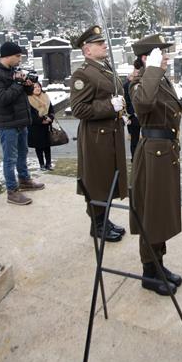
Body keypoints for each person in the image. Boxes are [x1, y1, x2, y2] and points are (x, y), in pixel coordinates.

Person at [129, 34, 182, 295]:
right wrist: (150, 69)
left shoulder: (157, 79)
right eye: (160, 53)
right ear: (145, 58)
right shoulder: (140, 82)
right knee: (151, 214)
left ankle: (158, 263)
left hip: (165, 153)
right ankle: (149, 272)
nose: (166, 57)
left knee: (160, 212)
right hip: (153, 155)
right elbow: (144, 104)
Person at [70, 26, 128, 242]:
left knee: (110, 179)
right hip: (96, 138)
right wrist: (108, 106)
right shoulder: (82, 74)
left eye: (103, 42)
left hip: (110, 134)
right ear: (87, 50)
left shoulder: (104, 67)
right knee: (97, 182)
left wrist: (119, 109)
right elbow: (78, 109)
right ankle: (98, 225)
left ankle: (105, 219)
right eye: (99, 43)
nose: (104, 45)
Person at [0, 41, 45, 206]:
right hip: (7, 123)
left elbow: (24, 93)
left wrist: (26, 85)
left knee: (22, 153)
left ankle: (24, 180)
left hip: (20, 121)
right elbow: (1, 99)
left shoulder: (11, 71)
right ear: (7, 56)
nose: (20, 59)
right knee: (10, 158)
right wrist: (17, 84)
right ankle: (12, 191)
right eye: (17, 56)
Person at [26, 82, 55, 171]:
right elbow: (29, 114)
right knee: (38, 146)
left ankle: (48, 163)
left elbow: (51, 110)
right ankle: (41, 164)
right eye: (35, 87)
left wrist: (50, 118)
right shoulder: (28, 99)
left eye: (38, 87)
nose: (37, 89)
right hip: (35, 127)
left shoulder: (46, 97)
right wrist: (41, 121)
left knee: (47, 146)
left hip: (46, 126)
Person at [124, 60, 143, 159]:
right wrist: (130, 115)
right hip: (133, 116)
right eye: (136, 70)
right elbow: (126, 101)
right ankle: (134, 159)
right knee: (134, 140)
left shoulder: (145, 83)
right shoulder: (127, 85)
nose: (137, 73)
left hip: (144, 116)